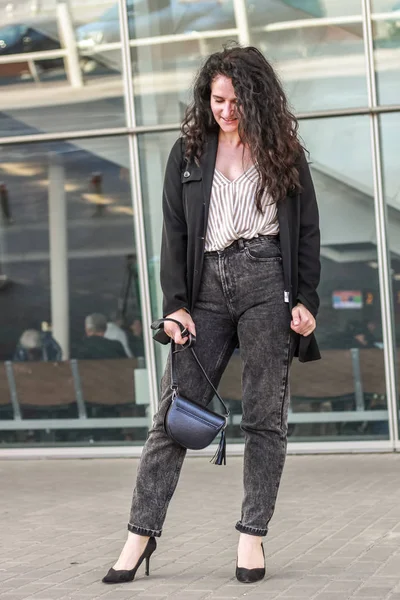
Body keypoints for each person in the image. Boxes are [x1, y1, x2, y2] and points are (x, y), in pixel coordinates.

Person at [102, 46, 320, 586]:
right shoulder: (189, 152)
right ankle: (140, 534)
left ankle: (252, 535)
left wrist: (306, 300)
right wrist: (175, 304)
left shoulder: (286, 153)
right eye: (216, 99)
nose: (224, 110)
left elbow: (307, 232)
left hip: (268, 279)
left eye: (235, 101)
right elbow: (173, 235)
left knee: (265, 416)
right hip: (205, 288)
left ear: (257, 99)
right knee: (175, 416)